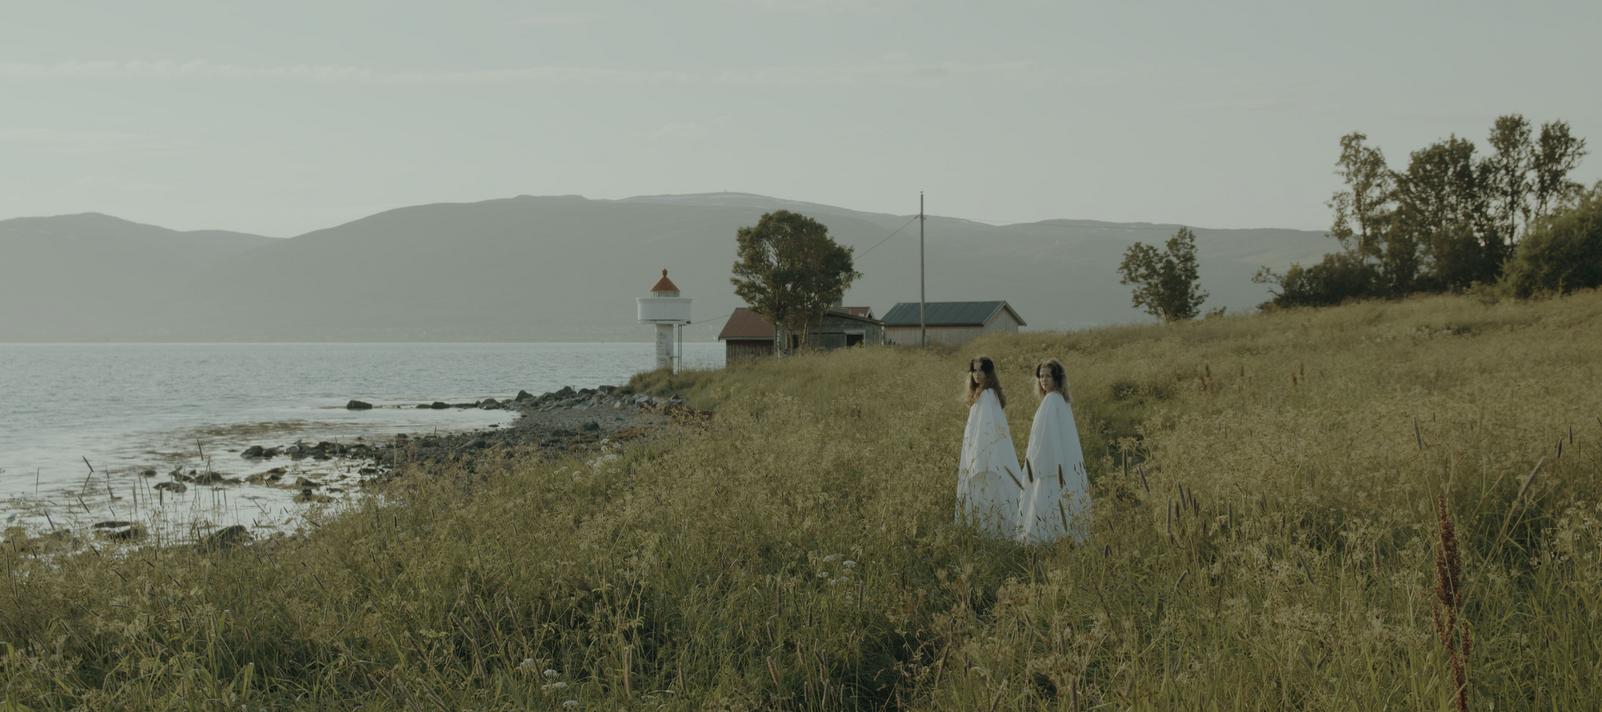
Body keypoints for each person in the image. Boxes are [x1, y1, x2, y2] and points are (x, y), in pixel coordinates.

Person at [1021, 358, 1091, 544]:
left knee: (1047, 503)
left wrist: (1041, 465)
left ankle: (1047, 540)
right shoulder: (1059, 400)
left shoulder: (1052, 401)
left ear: (1057, 378)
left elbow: (1047, 437)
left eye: (1048, 376)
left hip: (1050, 465)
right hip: (1058, 463)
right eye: (1041, 376)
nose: (1043, 380)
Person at [956, 356, 1026, 539]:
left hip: (985, 458)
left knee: (988, 496)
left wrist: (977, 464)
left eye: (981, 370)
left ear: (989, 373)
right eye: (974, 370)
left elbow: (985, 433)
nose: (977, 374)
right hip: (983, 454)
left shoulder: (987, 396)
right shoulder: (984, 394)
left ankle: (990, 533)